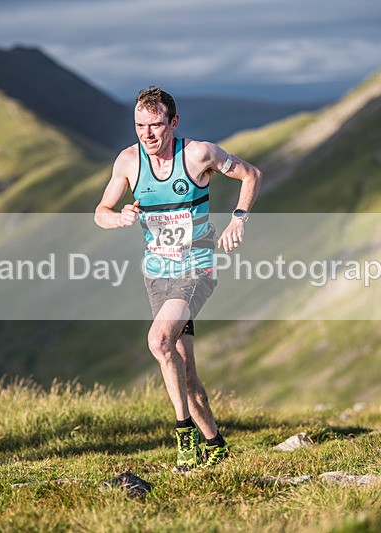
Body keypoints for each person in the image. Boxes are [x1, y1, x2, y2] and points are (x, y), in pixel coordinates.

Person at [94, 86, 262, 471]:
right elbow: (100, 210)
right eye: (140, 126)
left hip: (197, 266)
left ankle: (183, 437)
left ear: (174, 123)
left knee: (158, 340)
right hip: (157, 275)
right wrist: (116, 217)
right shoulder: (127, 162)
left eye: (156, 126)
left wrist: (239, 219)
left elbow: (251, 174)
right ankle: (215, 444)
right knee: (184, 370)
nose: (147, 134)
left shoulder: (198, 154)